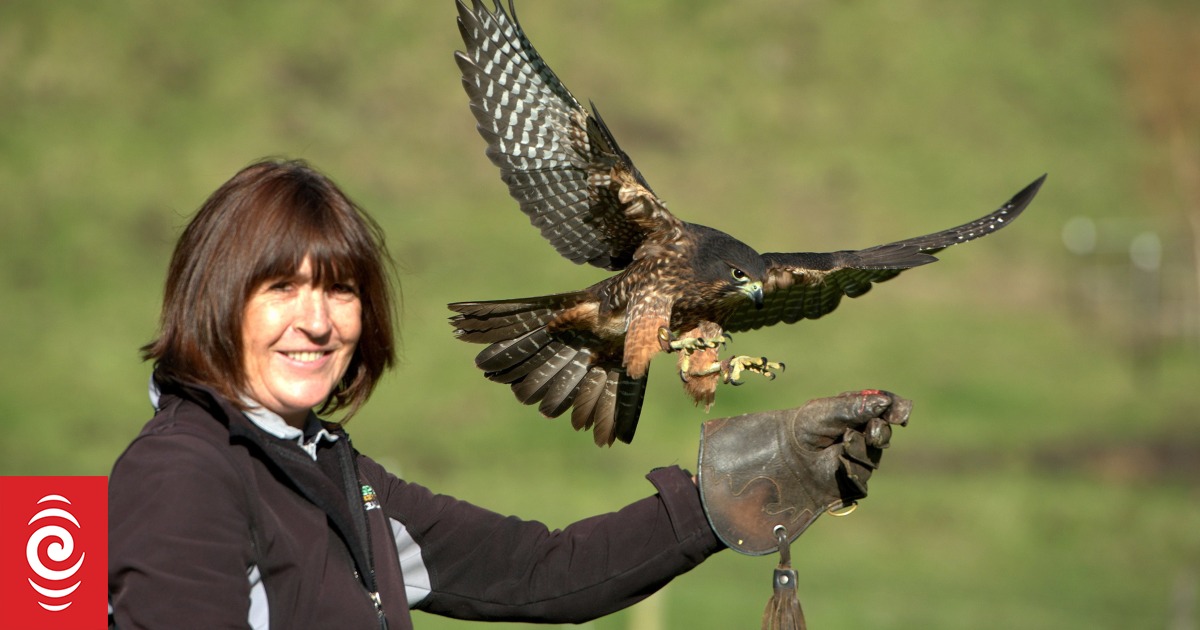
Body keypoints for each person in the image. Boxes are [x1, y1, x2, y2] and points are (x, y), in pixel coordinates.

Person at [108, 158, 907, 629]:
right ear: (214, 298)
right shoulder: (188, 471)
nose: (317, 322)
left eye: (341, 290)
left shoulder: (331, 474)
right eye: (281, 287)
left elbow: (542, 571)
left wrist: (742, 488)